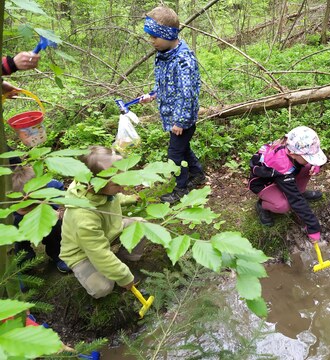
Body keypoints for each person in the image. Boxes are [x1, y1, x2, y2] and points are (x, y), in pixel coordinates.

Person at [140, 6, 206, 204]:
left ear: (168, 35)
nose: (151, 41)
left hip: (181, 119)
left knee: (175, 154)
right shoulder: (164, 54)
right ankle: (197, 174)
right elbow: (165, 82)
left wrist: (180, 121)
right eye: (149, 37)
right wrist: (153, 94)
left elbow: (188, 94)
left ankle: (181, 188)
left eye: (154, 37)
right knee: (183, 148)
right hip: (172, 116)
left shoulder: (183, 59)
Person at [60, 146, 145, 299]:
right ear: (94, 185)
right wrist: (124, 277)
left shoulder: (103, 192)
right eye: (117, 184)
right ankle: (108, 271)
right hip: (83, 253)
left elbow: (114, 198)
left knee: (142, 225)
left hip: (109, 233)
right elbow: (98, 252)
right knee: (103, 288)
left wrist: (129, 199)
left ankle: (124, 259)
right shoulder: (82, 216)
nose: (123, 186)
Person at [248, 126, 327, 243]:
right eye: (308, 157)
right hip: (264, 183)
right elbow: (295, 200)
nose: (311, 159)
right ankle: (262, 205)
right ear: (293, 153)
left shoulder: (291, 147)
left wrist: (315, 165)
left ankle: (300, 191)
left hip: (284, 176)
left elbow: (309, 161)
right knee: (283, 205)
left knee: (308, 166)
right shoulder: (282, 165)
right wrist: (313, 227)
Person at [11, 166, 71, 273]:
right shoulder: (10, 211)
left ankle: (58, 254)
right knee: (20, 245)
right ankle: (25, 265)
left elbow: (59, 188)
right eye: (26, 208)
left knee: (55, 228)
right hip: (19, 225)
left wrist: (58, 209)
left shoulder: (50, 186)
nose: (30, 212)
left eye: (33, 207)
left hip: (45, 216)